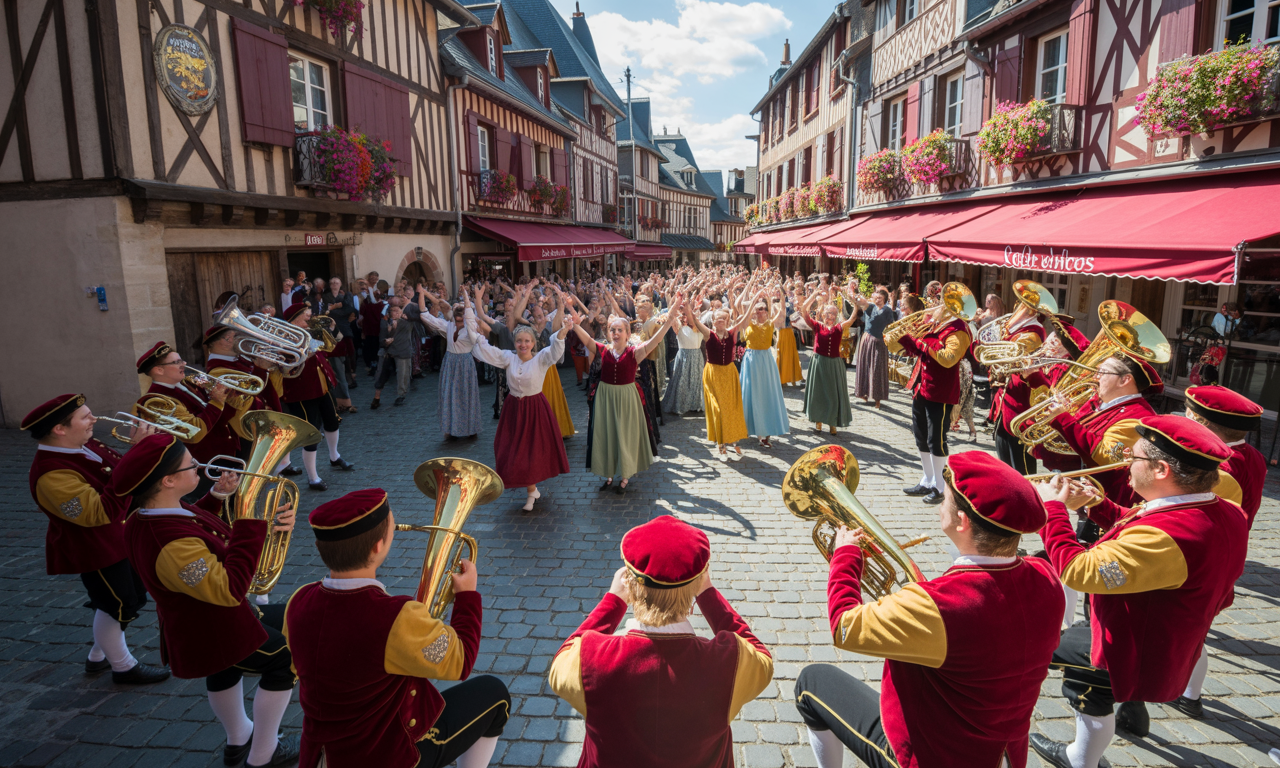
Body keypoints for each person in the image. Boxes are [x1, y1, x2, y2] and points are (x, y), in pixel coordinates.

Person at [795, 450, 1064, 768]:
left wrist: (845, 556)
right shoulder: (1047, 577)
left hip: (931, 755)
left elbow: (844, 627)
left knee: (811, 683)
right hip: (1004, 754)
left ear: (962, 521)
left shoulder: (939, 605)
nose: (939, 506)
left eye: (944, 499)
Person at [1031, 415, 1249, 768]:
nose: (1125, 464)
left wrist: (1052, 510)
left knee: (1077, 677)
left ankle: (1080, 759)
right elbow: (1140, 526)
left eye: (1133, 457)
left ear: (1161, 469)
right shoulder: (1221, 509)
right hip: (1164, 632)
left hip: (1134, 647)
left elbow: (1079, 571)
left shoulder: (1170, 536)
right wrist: (1096, 504)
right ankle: (1132, 713)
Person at [284, 490, 509, 768]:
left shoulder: (298, 601)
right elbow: (461, 660)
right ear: (378, 546)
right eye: (393, 526)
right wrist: (467, 596)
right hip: (383, 757)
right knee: (495, 694)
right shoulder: (396, 617)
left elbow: (300, 667)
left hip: (320, 755)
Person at [119, 434, 301, 768]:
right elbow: (229, 590)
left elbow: (189, 524)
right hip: (214, 626)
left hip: (204, 619)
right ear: (168, 480)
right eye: (190, 463)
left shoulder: (148, 514)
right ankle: (264, 753)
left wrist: (216, 497)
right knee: (283, 660)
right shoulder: (171, 544)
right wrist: (250, 526)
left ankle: (239, 738)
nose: (200, 465)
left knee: (279, 628)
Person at [547, 515, 773, 767]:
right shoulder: (728, 663)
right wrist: (707, 593)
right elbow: (760, 656)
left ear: (630, 584)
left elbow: (560, 663)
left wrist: (613, 601)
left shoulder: (591, 658)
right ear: (697, 583)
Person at [22, 394, 170, 685]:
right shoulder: (51, 474)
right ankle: (123, 667)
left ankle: (99, 655)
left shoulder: (85, 445)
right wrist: (137, 456)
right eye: (85, 417)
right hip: (95, 548)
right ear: (59, 429)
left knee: (131, 599)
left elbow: (119, 475)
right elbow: (99, 513)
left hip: (120, 537)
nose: (94, 419)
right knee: (116, 604)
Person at [1168, 386, 1267, 718]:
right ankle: (1188, 694)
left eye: (1189, 413)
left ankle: (1187, 694)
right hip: (1228, 550)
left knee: (1191, 633)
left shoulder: (1216, 464)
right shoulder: (1252, 456)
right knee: (1196, 631)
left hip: (1201, 553)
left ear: (1201, 421)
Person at [470, 286, 573, 511]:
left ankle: (530, 491)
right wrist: (473, 318)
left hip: (535, 410)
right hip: (513, 410)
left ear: (533, 343)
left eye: (527, 341)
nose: (523, 345)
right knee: (509, 450)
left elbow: (555, 350)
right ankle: (531, 489)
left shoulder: (540, 358)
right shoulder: (509, 357)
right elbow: (487, 350)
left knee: (531, 452)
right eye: (519, 341)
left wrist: (564, 331)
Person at [567, 296, 683, 493]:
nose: (616, 333)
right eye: (613, 330)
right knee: (607, 435)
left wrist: (670, 319)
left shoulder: (635, 352)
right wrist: (575, 325)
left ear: (628, 334)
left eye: (620, 330)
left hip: (627, 399)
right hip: (605, 398)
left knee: (624, 437)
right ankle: (609, 475)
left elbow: (655, 341)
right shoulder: (603, 350)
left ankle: (625, 477)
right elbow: (586, 339)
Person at [1041, 353, 1162, 507]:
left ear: (1125, 380)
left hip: (1114, 501)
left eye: (1102, 372)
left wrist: (1063, 418)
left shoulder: (1138, 416)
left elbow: (1104, 455)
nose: (1095, 377)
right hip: (1092, 492)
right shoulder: (1106, 404)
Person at [889, 293, 972, 505]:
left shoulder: (958, 329)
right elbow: (921, 351)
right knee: (921, 435)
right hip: (922, 385)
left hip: (940, 391)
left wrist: (923, 342)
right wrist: (906, 340)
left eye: (943, 302)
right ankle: (927, 479)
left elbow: (948, 358)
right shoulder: (936, 323)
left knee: (936, 439)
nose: (937, 304)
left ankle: (940, 486)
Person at [135, 341, 232, 498]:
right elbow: (193, 432)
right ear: (159, 370)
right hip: (199, 469)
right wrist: (217, 402)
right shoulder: (156, 401)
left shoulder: (186, 383)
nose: (184, 364)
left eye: (181, 360)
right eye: (176, 362)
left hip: (222, 458)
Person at [280, 303, 355, 491]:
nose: (309, 317)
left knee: (332, 422)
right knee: (311, 434)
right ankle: (313, 478)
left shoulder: (309, 332)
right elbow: (286, 367)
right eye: (306, 315)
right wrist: (308, 352)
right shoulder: (284, 337)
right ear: (295, 318)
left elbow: (335, 345)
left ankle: (334, 456)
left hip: (322, 385)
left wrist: (332, 329)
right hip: (302, 391)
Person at [985, 282, 1051, 474]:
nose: (1018, 307)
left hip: (1021, 405)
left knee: (1020, 465)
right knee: (1004, 457)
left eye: (1024, 305)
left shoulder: (1034, 332)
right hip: (1006, 400)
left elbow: (1011, 359)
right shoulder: (1017, 328)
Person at [691, 302, 753, 459]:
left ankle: (733, 439)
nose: (720, 321)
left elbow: (745, 317)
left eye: (723, 319)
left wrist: (753, 301)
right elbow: (696, 322)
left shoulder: (732, 333)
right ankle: (720, 442)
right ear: (713, 321)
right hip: (714, 374)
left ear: (727, 321)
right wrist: (687, 307)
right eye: (717, 318)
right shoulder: (709, 334)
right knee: (717, 409)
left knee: (731, 409)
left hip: (729, 374)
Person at [800, 290, 858, 435]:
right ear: (823, 314)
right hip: (819, 363)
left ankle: (832, 422)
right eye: (827, 313)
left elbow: (852, 318)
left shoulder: (839, 327)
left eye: (833, 313)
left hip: (834, 364)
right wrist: (814, 294)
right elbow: (803, 311)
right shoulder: (817, 326)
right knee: (818, 393)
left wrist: (851, 300)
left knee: (833, 394)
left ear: (836, 315)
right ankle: (818, 421)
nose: (830, 316)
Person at [739, 294, 790, 448]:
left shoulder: (770, 323)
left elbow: (782, 311)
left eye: (763, 309)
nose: (760, 311)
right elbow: (740, 306)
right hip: (751, 360)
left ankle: (767, 432)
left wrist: (774, 296)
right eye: (757, 309)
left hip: (766, 361)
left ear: (767, 311)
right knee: (751, 393)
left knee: (767, 393)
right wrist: (753, 300)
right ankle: (750, 429)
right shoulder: (748, 323)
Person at [662, 303, 709, 415]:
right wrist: (677, 303)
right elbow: (670, 316)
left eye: (687, 314)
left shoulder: (699, 326)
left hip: (696, 356)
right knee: (681, 381)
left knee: (696, 381)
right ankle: (681, 404)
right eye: (683, 315)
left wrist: (688, 309)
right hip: (684, 357)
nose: (685, 317)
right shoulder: (678, 326)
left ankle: (695, 404)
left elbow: (693, 320)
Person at [852, 288, 894, 408]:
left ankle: (877, 398)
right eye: (876, 297)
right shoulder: (870, 307)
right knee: (864, 366)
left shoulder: (887, 310)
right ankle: (863, 393)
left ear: (885, 299)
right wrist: (852, 292)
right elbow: (859, 301)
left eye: (880, 298)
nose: (877, 299)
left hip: (880, 341)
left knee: (877, 368)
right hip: (867, 339)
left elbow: (890, 325)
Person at [322, 276, 358, 412]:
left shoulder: (345, 296)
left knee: (348, 360)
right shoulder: (326, 297)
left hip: (344, 331)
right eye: (332, 283)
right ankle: (339, 400)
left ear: (340, 284)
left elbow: (351, 310)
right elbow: (325, 313)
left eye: (336, 282)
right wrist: (339, 309)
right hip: (330, 335)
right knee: (336, 369)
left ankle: (350, 382)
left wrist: (334, 308)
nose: (334, 284)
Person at [370, 303, 414, 409]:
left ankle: (401, 395)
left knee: (402, 374)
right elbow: (381, 340)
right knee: (381, 374)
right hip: (388, 352)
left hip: (402, 351)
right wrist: (386, 341)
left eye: (397, 311)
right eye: (393, 311)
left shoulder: (407, 322)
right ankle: (376, 397)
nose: (395, 313)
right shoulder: (385, 323)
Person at [775, 287, 804, 386]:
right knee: (781, 355)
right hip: (780, 332)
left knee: (790, 355)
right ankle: (781, 378)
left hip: (788, 331)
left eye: (779, 292)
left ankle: (792, 377)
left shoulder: (789, 305)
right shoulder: (773, 305)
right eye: (777, 292)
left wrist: (796, 318)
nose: (778, 294)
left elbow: (792, 318)